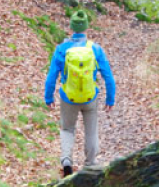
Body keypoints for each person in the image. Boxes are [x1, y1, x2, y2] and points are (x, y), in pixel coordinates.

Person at [43, 10, 116, 177]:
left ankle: (66, 161)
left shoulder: (61, 49)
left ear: (71, 28)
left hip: (68, 97)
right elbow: (108, 76)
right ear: (86, 28)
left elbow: (52, 76)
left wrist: (48, 97)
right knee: (91, 130)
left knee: (67, 129)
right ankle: (90, 165)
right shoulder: (95, 49)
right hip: (90, 98)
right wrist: (110, 99)